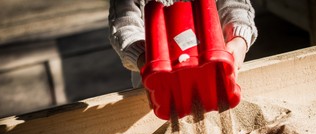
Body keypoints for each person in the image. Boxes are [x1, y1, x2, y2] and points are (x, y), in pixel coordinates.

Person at [108, 0, 258, 87]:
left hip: (216, 67)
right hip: (158, 79)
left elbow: (235, 5)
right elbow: (125, 25)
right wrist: (144, 58)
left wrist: (238, 38)